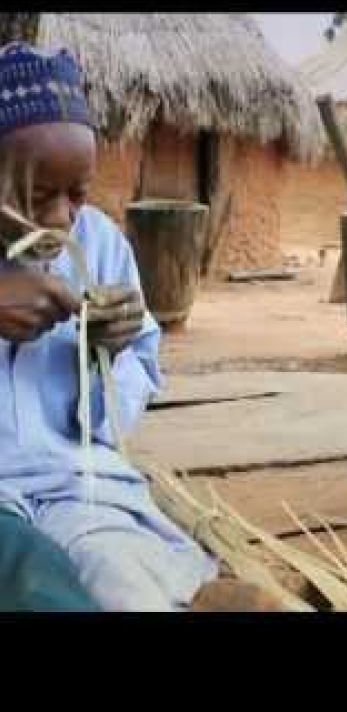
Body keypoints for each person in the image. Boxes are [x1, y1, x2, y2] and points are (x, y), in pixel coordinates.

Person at [0, 41, 226, 612]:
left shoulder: (99, 243)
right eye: (34, 195)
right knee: (32, 575)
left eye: (77, 194)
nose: (59, 218)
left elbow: (122, 406)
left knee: (117, 571)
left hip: (79, 483)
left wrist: (110, 354)